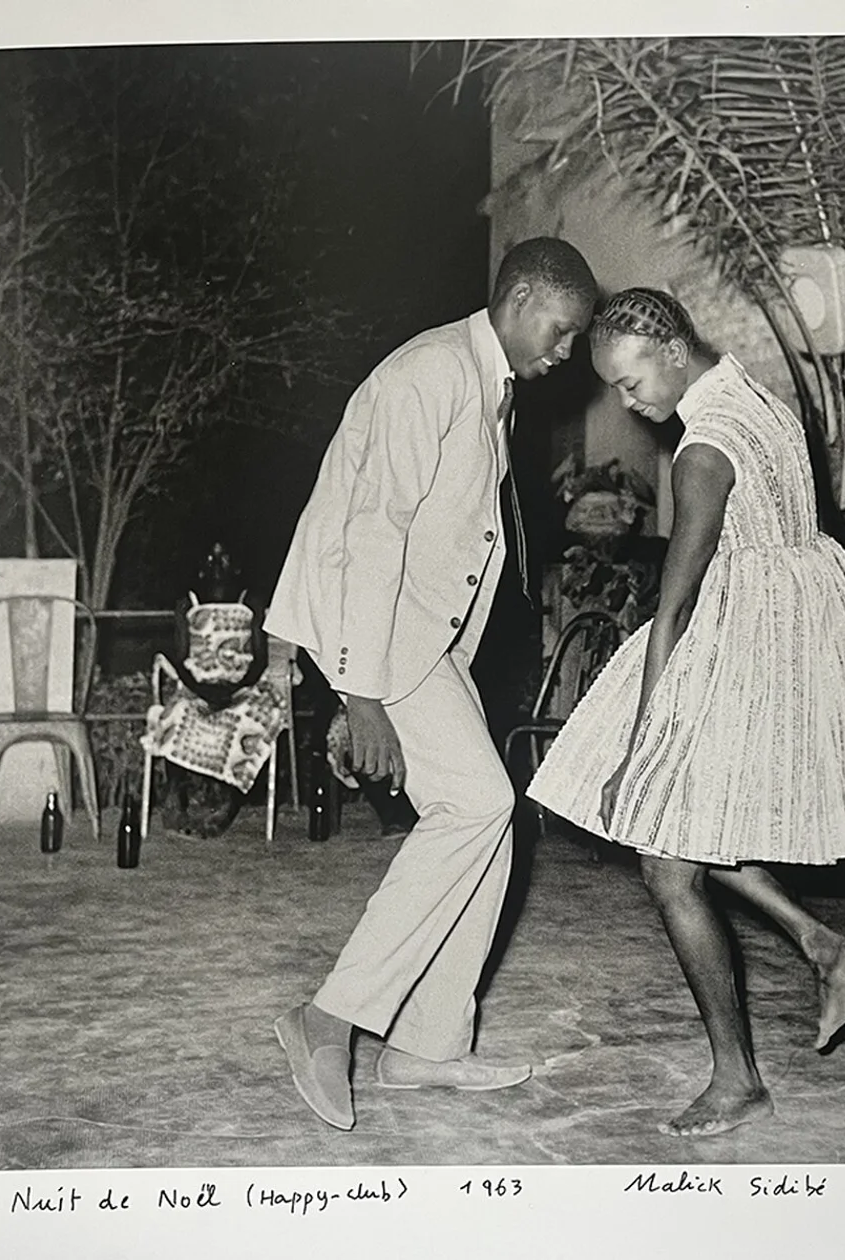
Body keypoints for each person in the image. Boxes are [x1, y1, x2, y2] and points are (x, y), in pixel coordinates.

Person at [527, 288, 845, 1138]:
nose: (629, 403)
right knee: (691, 834)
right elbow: (818, 542)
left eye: (633, 383)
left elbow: (673, 609)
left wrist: (640, 744)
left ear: (674, 351)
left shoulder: (703, 449)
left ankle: (738, 1078)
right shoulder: (763, 402)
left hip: (741, 650)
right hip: (799, 637)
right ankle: (823, 945)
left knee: (666, 864)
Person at [264, 237, 598, 1131]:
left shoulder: (484, 381)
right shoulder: (434, 372)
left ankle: (428, 1045)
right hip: (383, 637)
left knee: (489, 818)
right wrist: (359, 692)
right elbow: (371, 531)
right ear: (520, 299)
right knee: (480, 805)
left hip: (425, 639)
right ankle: (327, 1019)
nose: (567, 352)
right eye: (562, 330)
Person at [144, 542, 286, 838]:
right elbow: (181, 657)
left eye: (225, 557)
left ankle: (228, 805)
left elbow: (260, 659)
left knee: (251, 718)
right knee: (178, 712)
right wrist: (202, 690)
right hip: (198, 684)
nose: (217, 564)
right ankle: (175, 797)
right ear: (201, 567)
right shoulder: (188, 603)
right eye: (211, 557)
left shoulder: (250, 601)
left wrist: (234, 689)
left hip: (243, 685)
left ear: (238, 566)